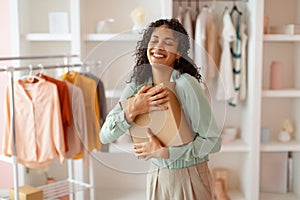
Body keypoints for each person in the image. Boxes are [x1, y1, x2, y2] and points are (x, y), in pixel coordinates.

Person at [100, 18, 221, 200]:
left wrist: (167, 152)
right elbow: (104, 136)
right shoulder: (137, 87)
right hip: (157, 176)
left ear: (178, 53)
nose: (158, 47)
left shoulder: (186, 84)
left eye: (168, 42)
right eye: (154, 40)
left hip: (189, 176)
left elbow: (213, 141)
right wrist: (133, 109)